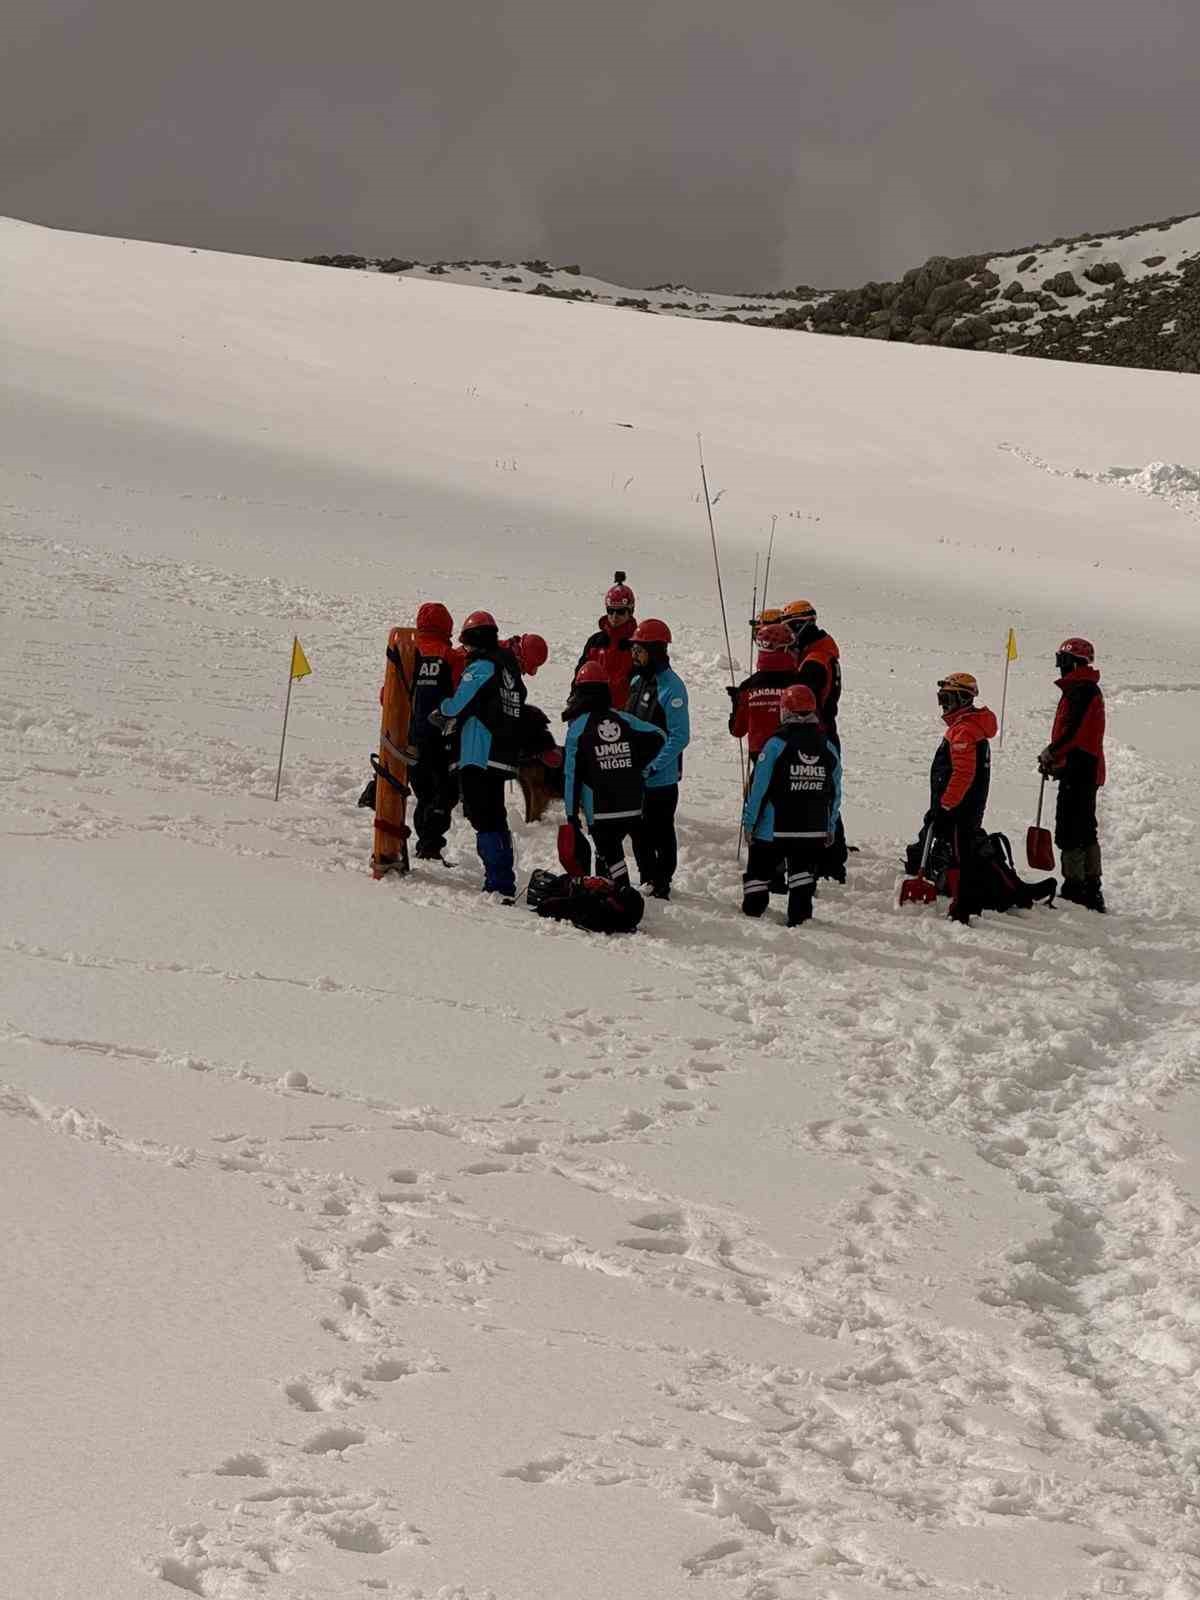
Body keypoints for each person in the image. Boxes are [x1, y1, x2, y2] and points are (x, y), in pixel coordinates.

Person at [433, 611, 527, 899]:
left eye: (468, 644)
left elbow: (458, 702)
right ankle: (503, 880)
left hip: (479, 753)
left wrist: (440, 711)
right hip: (501, 752)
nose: (466, 650)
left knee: (483, 817)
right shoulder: (509, 669)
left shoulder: (482, 666)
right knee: (495, 817)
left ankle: (498, 883)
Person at [741, 685, 842, 926]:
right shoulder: (828, 746)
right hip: (813, 828)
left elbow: (759, 788)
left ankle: (753, 914)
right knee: (802, 875)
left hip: (774, 828)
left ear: (786, 711)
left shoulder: (776, 744)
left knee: (758, 872)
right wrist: (830, 826)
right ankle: (800, 916)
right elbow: (835, 791)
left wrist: (749, 821)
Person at [561, 662, 666, 887]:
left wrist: (571, 815)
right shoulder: (623, 719)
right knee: (624, 848)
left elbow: (571, 777)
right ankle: (647, 887)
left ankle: (620, 893)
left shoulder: (577, 728)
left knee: (610, 855)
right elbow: (659, 735)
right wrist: (637, 764)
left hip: (600, 809)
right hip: (632, 803)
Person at [1039, 637, 1106, 912]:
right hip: (1084, 767)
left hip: (1080, 768)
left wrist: (1052, 752)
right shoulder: (1083, 688)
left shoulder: (1081, 690)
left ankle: (1076, 889)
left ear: (1074, 663)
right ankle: (1091, 887)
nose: (1060, 667)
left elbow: (1073, 732)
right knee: (1085, 829)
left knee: (1071, 829)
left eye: (1063, 661)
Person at [924, 671, 997, 924]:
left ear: (962, 700)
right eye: (941, 699)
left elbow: (963, 773)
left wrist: (946, 805)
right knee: (962, 853)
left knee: (961, 856)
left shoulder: (965, 730)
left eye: (948, 699)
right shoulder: (967, 727)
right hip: (964, 805)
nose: (944, 705)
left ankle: (964, 907)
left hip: (960, 808)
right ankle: (964, 900)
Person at [624, 619, 690, 899]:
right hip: (636, 775)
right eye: (633, 650)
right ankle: (647, 876)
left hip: (660, 778)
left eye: (639, 651)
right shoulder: (638, 681)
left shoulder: (672, 687)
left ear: (655, 650)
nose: (634, 656)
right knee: (637, 830)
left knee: (661, 830)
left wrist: (654, 766)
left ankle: (662, 881)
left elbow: (680, 736)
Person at [409, 602, 464, 861]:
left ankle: (423, 842)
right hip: (442, 738)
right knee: (443, 794)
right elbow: (461, 695)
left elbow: (387, 696)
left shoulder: (407, 652)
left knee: (422, 794)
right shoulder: (452, 657)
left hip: (410, 738)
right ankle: (430, 845)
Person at [727, 622, 802, 764]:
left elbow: (737, 730)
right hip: (794, 760)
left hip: (761, 758)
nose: (795, 651)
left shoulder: (748, 687)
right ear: (783, 651)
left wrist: (736, 702)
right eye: (792, 647)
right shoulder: (799, 685)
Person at [575, 573, 638, 708]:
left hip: (626, 716)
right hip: (593, 711)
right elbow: (579, 675)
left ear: (630, 611)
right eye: (611, 611)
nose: (615, 616)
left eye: (621, 611)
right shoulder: (595, 642)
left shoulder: (637, 645)